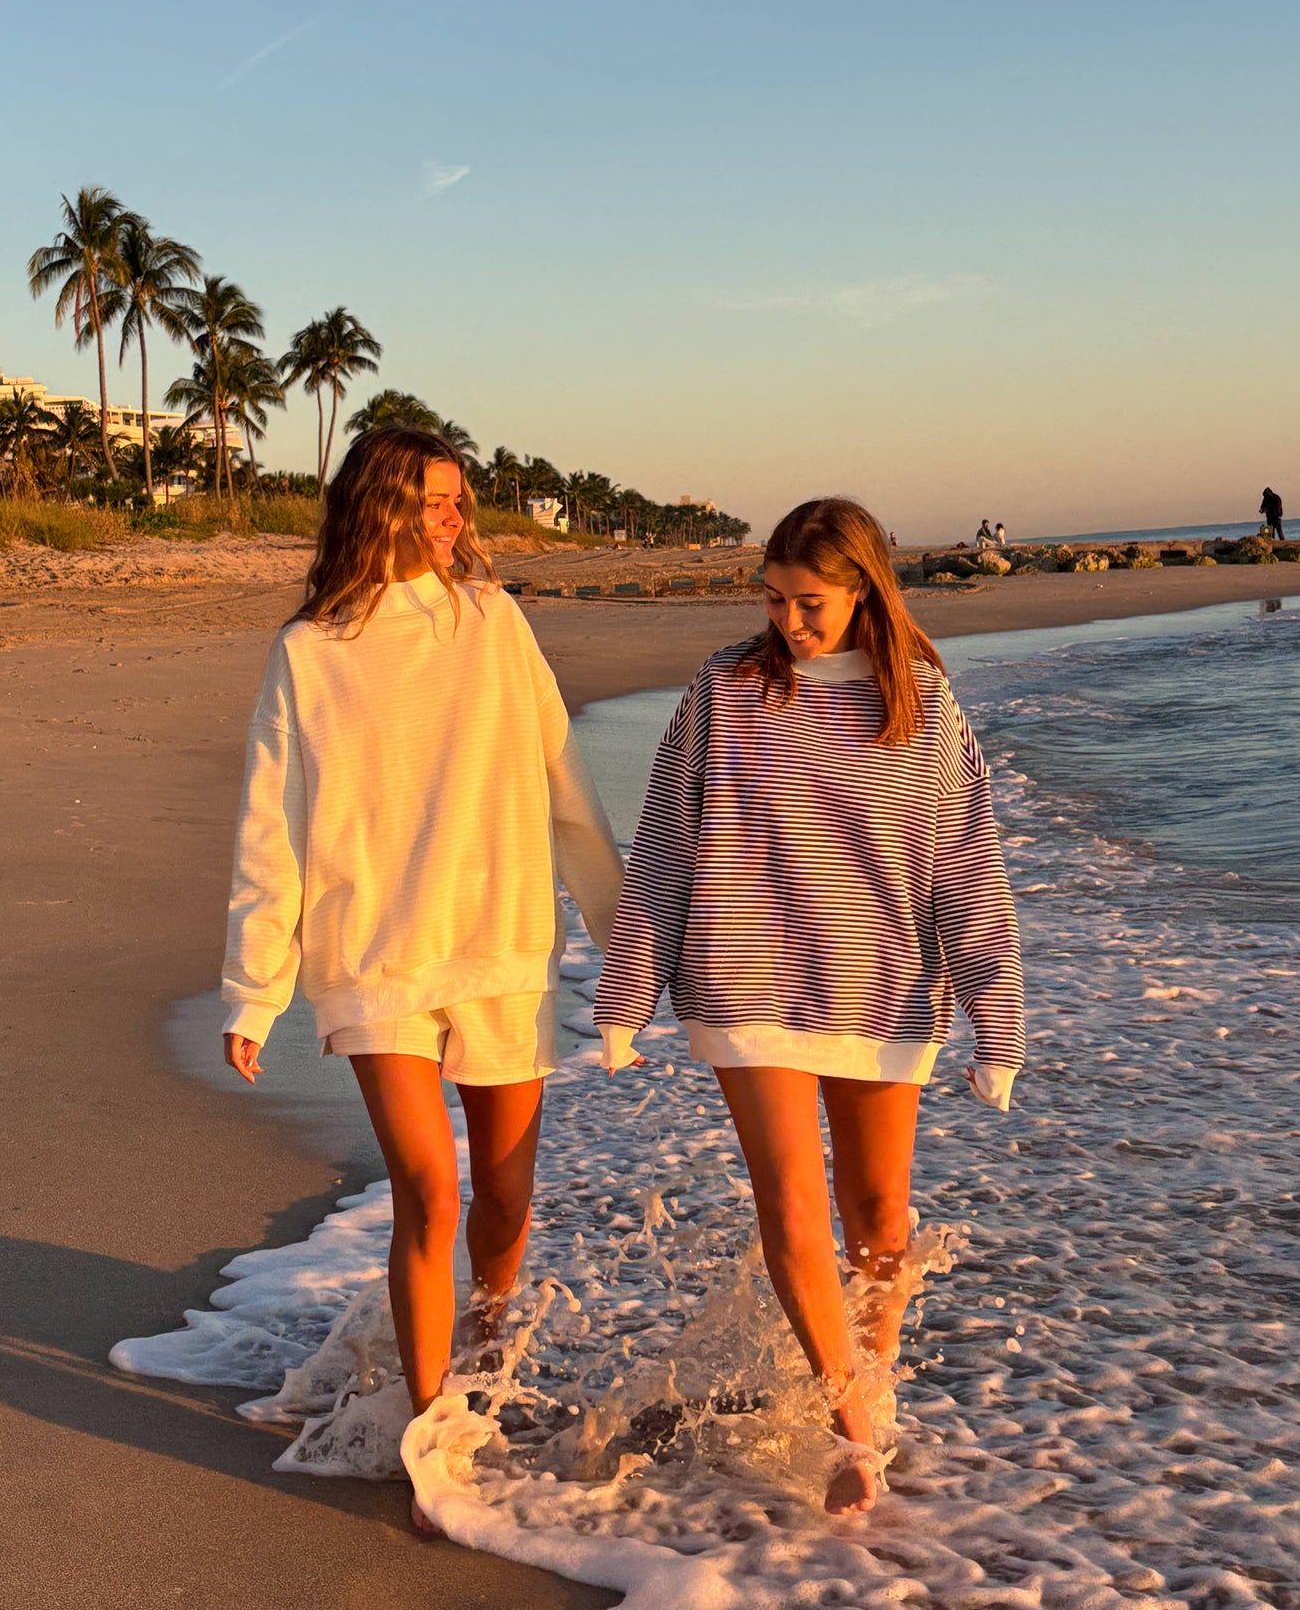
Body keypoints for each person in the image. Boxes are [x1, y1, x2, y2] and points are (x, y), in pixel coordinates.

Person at [221, 427, 623, 1529]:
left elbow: (565, 783)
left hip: (498, 938)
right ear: (381, 507)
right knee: (428, 1189)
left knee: (501, 1199)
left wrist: (623, 937)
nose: (454, 521)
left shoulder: (492, 621)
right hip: (373, 954)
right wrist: (255, 986)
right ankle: (432, 1431)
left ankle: (483, 1364)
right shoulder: (310, 649)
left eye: (459, 503)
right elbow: (271, 826)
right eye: (434, 503)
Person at [594, 496, 1024, 1518]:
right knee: (789, 1204)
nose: (789, 622)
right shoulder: (726, 689)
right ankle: (853, 1430)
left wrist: (993, 1019)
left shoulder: (919, 700)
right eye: (775, 600)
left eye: (810, 603)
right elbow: (663, 841)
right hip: (744, 979)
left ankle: (858, 1384)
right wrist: (626, 995)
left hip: (877, 988)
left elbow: (965, 865)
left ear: (864, 589)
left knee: (879, 1221)